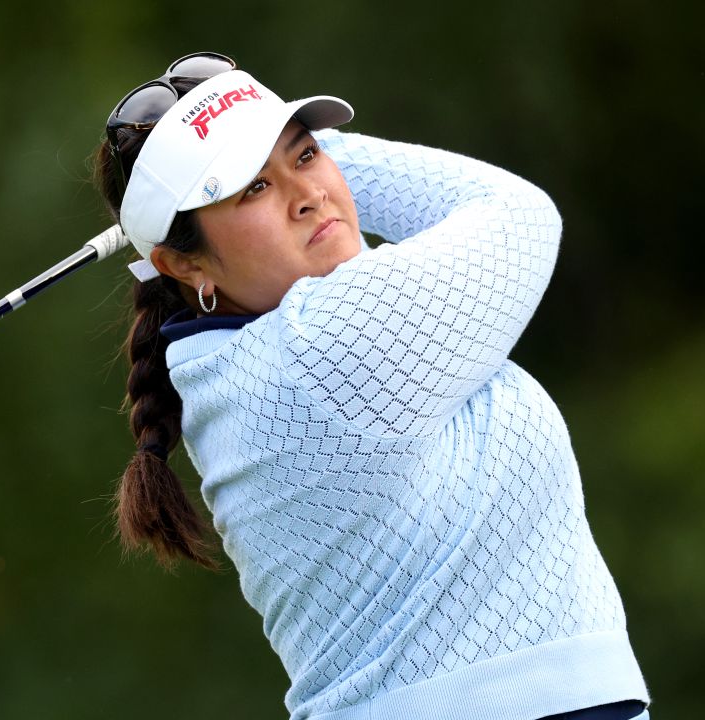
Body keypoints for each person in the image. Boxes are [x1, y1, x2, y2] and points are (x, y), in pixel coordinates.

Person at [93, 52, 650, 720]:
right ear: (184, 263)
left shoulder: (252, 356)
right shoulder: (316, 344)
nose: (308, 195)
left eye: (306, 158)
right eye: (251, 190)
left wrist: (258, 142)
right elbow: (517, 214)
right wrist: (307, 150)